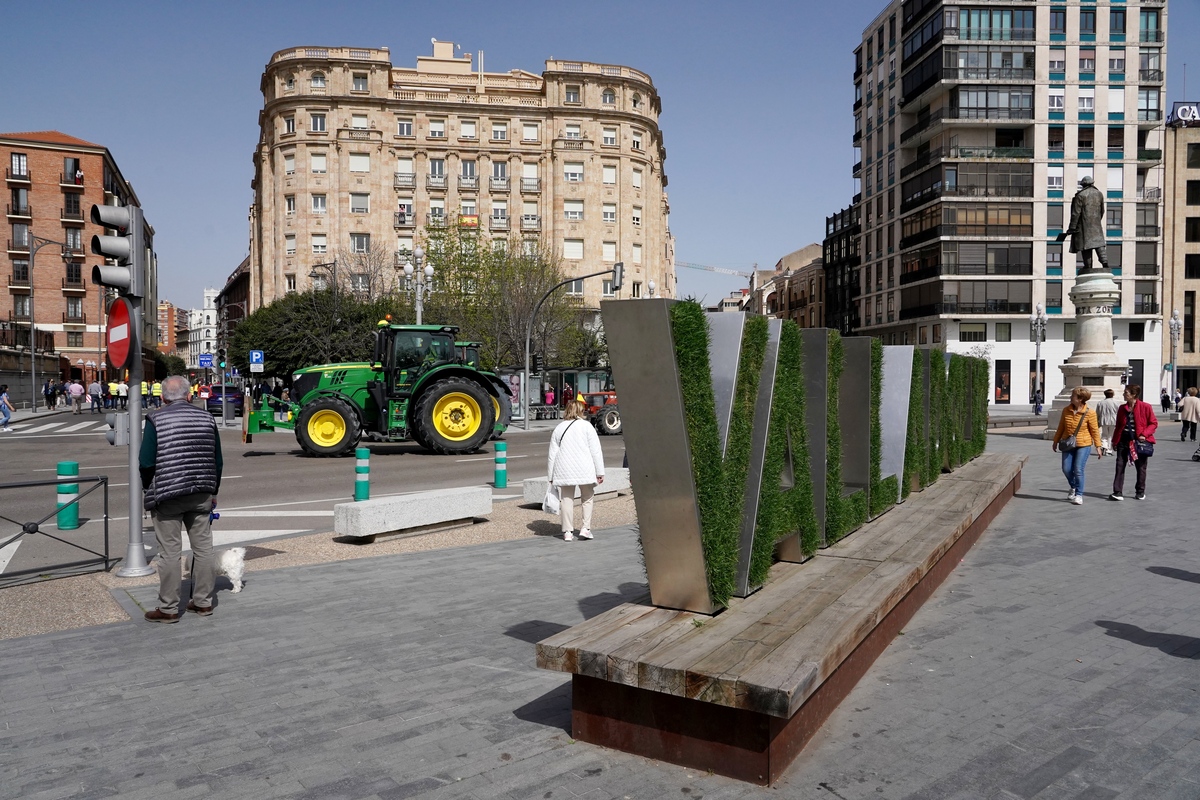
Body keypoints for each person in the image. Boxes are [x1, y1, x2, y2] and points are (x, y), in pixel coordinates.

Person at [139, 375, 224, 622]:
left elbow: (146, 462)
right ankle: (203, 603)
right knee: (204, 548)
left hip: (168, 494)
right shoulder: (207, 418)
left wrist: (149, 488)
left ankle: (168, 609)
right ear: (190, 396)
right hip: (201, 492)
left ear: (163, 397)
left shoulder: (156, 418)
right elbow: (217, 460)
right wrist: (213, 491)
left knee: (169, 552)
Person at [547, 399, 605, 541]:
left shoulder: (559, 428)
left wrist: (550, 476)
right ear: (581, 410)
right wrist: (600, 472)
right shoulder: (587, 426)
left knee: (566, 500)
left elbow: (552, 454)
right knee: (587, 498)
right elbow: (595, 451)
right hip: (585, 468)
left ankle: (567, 532)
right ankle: (585, 529)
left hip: (564, 469)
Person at [1051, 387, 1100, 505]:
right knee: (1066, 469)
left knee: (1078, 469)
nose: (1070, 397)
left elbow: (1094, 430)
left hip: (1084, 444)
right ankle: (1073, 486)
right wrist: (1055, 441)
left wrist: (1098, 446)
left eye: (1073, 395)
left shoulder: (1090, 412)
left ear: (1080, 399)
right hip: (1068, 443)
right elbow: (1061, 427)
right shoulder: (1066, 410)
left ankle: (1079, 494)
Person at [1109, 384, 1158, 502]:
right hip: (1123, 440)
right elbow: (1118, 426)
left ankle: (1140, 492)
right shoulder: (1122, 408)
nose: (1124, 395)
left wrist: (1144, 434)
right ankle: (1117, 492)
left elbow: (1153, 423)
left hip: (1139, 441)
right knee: (1120, 465)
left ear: (1134, 395)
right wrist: (1115, 441)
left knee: (1141, 467)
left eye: (1126, 393)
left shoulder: (1146, 407)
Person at [1096, 388, 1121, 456]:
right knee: (1110, 435)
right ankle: (1108, 450)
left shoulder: (1100, 402)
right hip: (1113, 420)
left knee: (1104, 434)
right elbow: (1119, 412)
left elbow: (1097, 413)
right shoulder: (1116, 402)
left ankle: (1104, 445)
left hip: (1103, 420)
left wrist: (1097, 420)